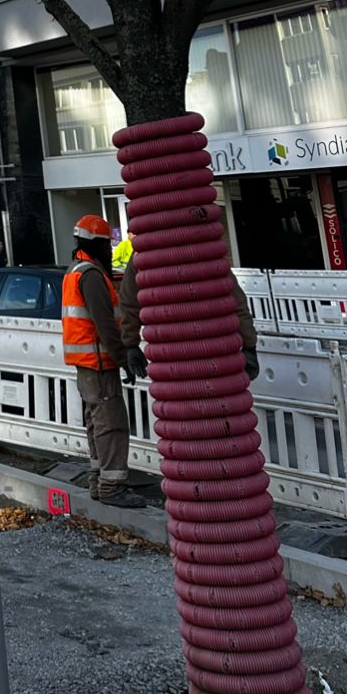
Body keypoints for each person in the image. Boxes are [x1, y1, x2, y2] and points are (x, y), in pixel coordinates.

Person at [62, 214, 146, 509]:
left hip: (86, 363)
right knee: (111, 423)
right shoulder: (92, 275)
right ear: (96, 243)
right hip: (98, 362)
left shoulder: (76, 270)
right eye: (106, 245)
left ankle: (99, 481)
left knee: (96, 422)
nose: (110, 250)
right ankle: (112, 487)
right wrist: (124, 358)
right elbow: (106, 326)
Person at [119, 252, 259, 382]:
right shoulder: (205, 247)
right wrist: (249, 344)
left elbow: (129, 303)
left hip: (172, 354)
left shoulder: (145, 252)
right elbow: (236, 300)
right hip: (214, 347)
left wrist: (130, 344)